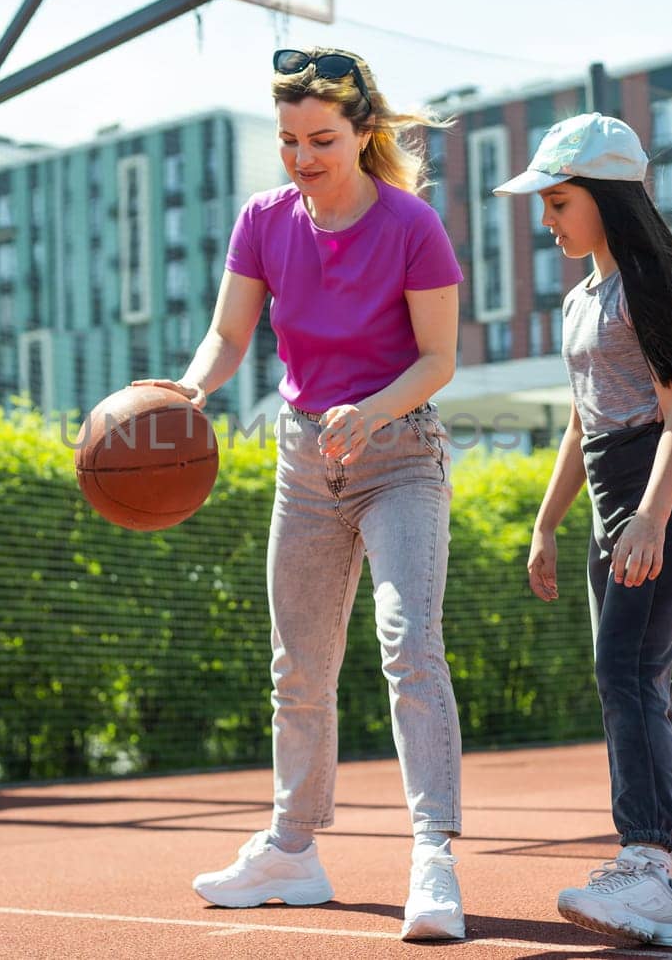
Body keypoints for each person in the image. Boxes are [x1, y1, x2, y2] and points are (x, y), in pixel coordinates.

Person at [131, 47, 467, 941]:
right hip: (303, 460)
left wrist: (375, 407)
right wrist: (191, 390)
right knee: (297, 668)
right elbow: (226, 332)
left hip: (399, 454)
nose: (302, 157)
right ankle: (292, 850)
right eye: (288, 140)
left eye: (321, 138)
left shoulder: (410, 225)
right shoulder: (264, 219)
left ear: (363, 133)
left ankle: (432, 854)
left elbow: (440, 357)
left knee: (409, 645)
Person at [495, 113, 672, 948]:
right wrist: (545, 524)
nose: (547, 219)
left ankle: (648, 866)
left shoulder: (653, 283)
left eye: (559, 201)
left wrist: (651, 517)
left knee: (625, 672)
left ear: (605, 197)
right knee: (645, 674)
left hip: (665, 494)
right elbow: (580, 423)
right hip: (616, 502)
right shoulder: (578, 298)